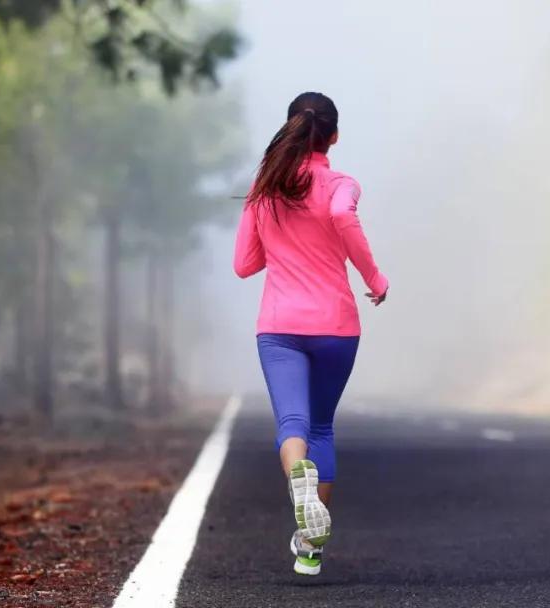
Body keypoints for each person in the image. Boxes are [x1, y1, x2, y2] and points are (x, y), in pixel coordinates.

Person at [233, 91, 389, 576]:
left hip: (280, 328)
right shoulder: (342, 184)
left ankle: (298, 486)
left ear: (291, 129)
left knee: (293, 425)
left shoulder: (265, 188)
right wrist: (374, 278)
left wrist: (280, 240)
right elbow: (342, 215)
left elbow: (244, 264)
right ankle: (309, 547)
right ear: (334, 137)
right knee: (321, 427)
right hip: (336, 327)